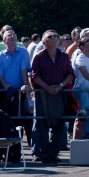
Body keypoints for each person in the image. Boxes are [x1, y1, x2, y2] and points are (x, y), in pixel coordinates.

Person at [30, 30, 74, 163]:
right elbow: (34, 76)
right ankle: (41, 153)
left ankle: (53, 153)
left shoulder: (64, 56)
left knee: (59, 123)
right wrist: (47, 87)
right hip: (43, 94)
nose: (53, 38)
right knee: (41, 123)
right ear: (44, 42)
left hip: (59, 93)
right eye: (50, 37)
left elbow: (70, 74)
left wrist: (60, 85)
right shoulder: (39, 56)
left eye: (55, 36)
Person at [0, 29, 33, 143]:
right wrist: (6, 86)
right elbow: (0, 75)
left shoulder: (23, 52)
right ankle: (13, 145)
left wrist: (26, 85)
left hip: (22, 91)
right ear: (4, 40)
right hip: (7, 92)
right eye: (9, 35)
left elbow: (24, 70)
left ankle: (32, 145)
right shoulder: (0, 56)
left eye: (14, 35)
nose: (12, 36)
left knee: (26, 117)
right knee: (10, 118)